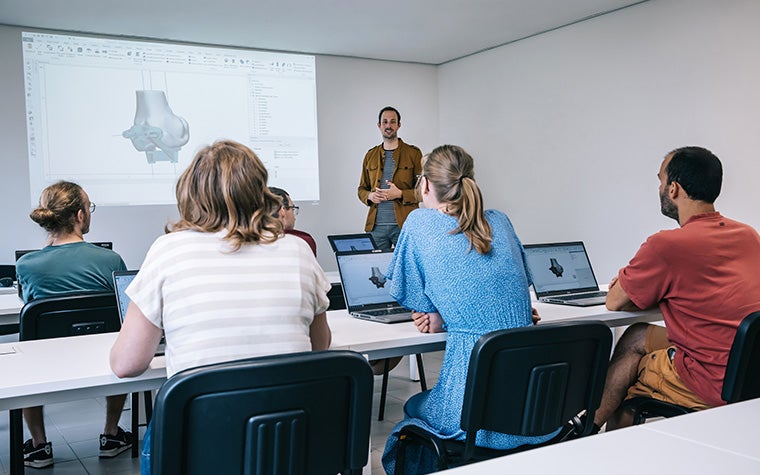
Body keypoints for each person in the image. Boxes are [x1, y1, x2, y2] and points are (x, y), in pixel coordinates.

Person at [109, 140, 332, 474]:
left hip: (204, 441)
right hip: (285, 434)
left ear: (191, 192)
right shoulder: (297, 250)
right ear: (260, 191)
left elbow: (127, 364)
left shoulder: (168, 250)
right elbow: (319, 346)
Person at [381, 145, 555, 474]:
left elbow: (421, 307)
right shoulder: (500, 221)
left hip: (469, 401)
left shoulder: (419, 224)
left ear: (426, 185)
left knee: (414, 407)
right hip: (531, 404)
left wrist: (437, 315)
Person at [594, 146, 760, 432]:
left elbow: (614, 301)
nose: (659, 188)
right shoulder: (748, 235)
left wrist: (626, 278)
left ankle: (586, 435)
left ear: (673, 189)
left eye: (660, 181)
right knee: (637, 334)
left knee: (629, 388)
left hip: (710, 379)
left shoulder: (666, 246)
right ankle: (587, 428)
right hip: (748, 369)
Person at [15, 181, 132, 469]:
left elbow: (32, 308)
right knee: (119, 340)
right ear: (80, 216)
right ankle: (111, 435)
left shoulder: (27, 265)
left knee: (25, 355)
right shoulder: (110, 260)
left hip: (44, 362)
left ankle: (39, 446)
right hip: (103, 357)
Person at [357, 106, 422, 250]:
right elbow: (361, 189)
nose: (388, 125)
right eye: (385, 122)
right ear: (379, 126)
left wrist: (400, 194)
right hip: (376, 227)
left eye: (393, 122)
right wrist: (370, 196)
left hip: (404, 225)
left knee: (406, 268)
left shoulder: (413, 154)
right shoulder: (370, 155)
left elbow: (423, 191)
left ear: (399, 125)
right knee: (376, 269)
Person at [269, 186, 317, 256]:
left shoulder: (250, 242)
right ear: (283, 211)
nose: (294, 218)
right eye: (292, 209)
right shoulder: (303, 241)